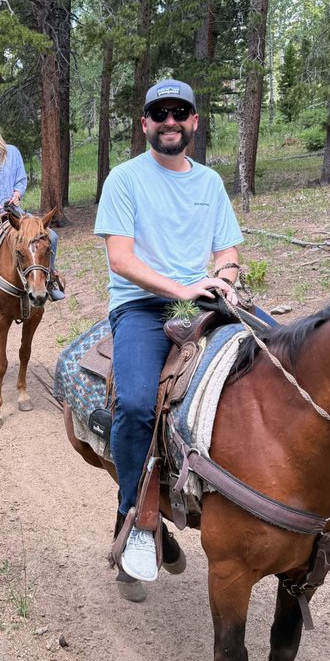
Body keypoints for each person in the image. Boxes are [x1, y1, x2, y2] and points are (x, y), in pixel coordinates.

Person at [94, 79, 245, 585]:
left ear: (194, 122)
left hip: (204, 298)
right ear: (145, 125)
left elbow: (227, 251)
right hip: (143, 307)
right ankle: (132, 515)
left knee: (270, 364)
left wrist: (224, 277)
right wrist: (181, 288)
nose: (170, 121)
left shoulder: (210, 185)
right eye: (159, 113)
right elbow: (121, 259)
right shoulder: (124, 179)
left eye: (180, 112)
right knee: (137, 404)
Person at [0, 113, 64, 321]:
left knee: (51, 237)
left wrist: (16, 195)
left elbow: (21, 179)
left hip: (13, 212)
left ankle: (49, 279)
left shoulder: (12, 152)